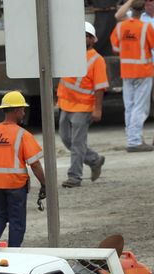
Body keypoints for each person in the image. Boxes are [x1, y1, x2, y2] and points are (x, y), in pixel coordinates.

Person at [0, 91, 47, 247]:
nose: (24, 112)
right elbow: (34, 164)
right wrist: (44, 183)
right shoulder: (22, 134)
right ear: (15, 110)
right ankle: (14, 251)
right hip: (15, 185)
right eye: (22, 109)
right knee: (17, 220)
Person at [116, 0, 154, 146]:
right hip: (142, 68)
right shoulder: (136, 16)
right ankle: (137, 138)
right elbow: (119, 15)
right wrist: (132, 1)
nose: (148, 3)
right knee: (139, 105)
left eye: (151, 0)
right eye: (145, 0)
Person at [58, 22, 109, 188]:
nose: (84, 38)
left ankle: (74, 177)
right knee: (66, 139)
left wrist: (98, 109)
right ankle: (94, 160)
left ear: (93, 39)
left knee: (77, 144)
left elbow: (100, 87)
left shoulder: (97, 60)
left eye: (87, 36)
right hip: (66, 104)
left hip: (83, 107)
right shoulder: (70, 54)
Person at [111, 0, 154, 152]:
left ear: (130, 9)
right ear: (143, 10)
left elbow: (115, 48)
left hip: (127, 72)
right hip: (143, 72)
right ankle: (134, 141)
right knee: (140, 107)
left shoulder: (120, 27)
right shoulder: (146, 27)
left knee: (130, 107)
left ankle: (132, 137)